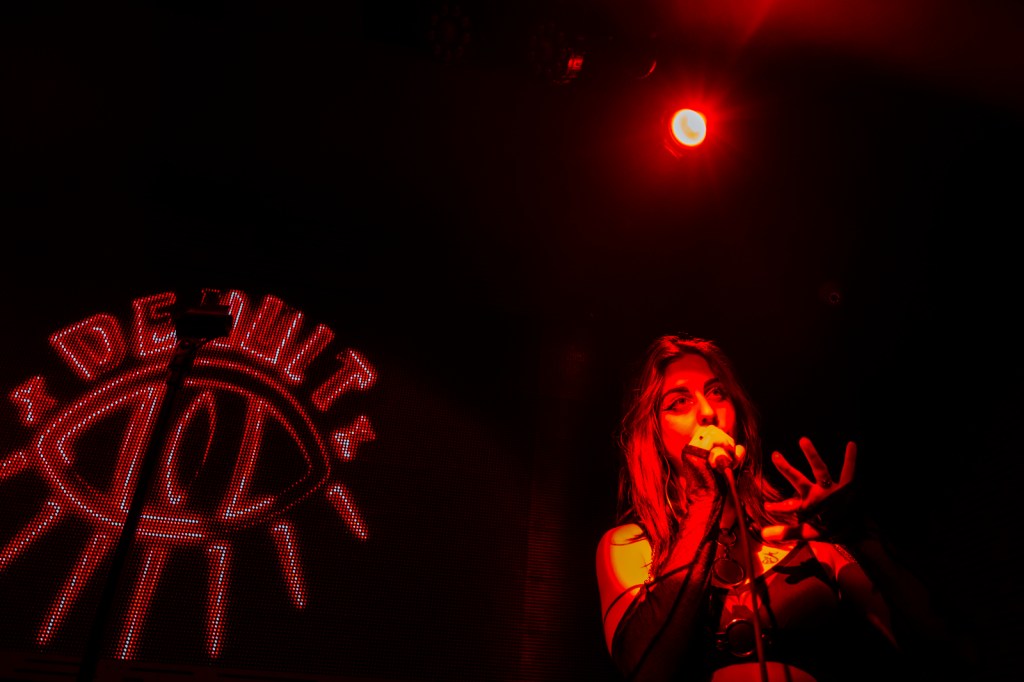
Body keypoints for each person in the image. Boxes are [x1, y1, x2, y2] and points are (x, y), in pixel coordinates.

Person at [595, 333, 971, 682]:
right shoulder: (628, 546)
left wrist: (865, 542)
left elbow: (938, 650)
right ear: (654, 434)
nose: (708, 412)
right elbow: (647, 670)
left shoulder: (806, 535)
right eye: (680, 402)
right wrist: (705, 498)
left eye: (717, 392)